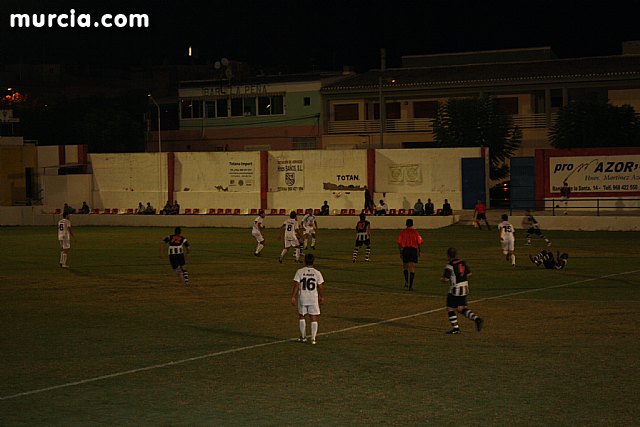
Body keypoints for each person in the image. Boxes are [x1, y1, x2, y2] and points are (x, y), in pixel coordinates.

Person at [441, 247, 483, 334]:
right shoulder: (462, 262)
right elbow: (469, 274)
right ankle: (477, 319)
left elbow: (445, 279)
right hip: (465, 288)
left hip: (456, 289)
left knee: (450, 308)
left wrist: (442, 279)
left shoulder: (450, 265)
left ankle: (456, 329)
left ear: (448, 255)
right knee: (461, 308)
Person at [290, 253, 325, 345]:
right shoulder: (317, 273)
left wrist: (293, 296)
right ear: (313, 261)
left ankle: (303, 337)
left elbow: (296, 285)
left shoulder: (299, 271)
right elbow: (320, 286)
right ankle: (313, 339)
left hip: (303, 297)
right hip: (313, 298)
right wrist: (322, 296)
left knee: (302, 316)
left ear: (305, 261)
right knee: (314, 317)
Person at [397, 218, 423, 290]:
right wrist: (419, 251)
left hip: (405, 250)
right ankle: (411, 286)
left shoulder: (403, 232)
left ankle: (406, 282)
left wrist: (401, 252)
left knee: (405, 267)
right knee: (412, 268)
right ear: (412, 224)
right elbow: (419, 242)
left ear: (406, 224)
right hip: (413, 250)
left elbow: (399, 242)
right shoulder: (415, 232)